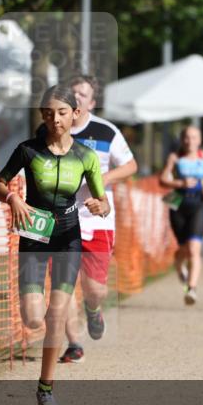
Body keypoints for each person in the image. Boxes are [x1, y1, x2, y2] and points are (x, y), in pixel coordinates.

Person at [0, 84, 110, 405]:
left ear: (75, 114)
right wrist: (13, 197)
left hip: (69, 238)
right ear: (42, 116)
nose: (55, 119)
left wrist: (101, 207)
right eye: (48, 113)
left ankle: (45, 390)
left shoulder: (86, 156)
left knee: (56, 313)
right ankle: (49, 331)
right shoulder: (28, 150)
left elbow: (104, 201)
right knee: (32, 319)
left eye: (61, 112)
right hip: (34, 237)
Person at [31, 77, 136, 365]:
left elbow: (130, 165)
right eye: (73, 93)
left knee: (94, 289)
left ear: (91, 102)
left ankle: (93, 309)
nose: (76, 97)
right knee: (62, 287)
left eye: (83, 94)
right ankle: (75, 344)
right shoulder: (47, 130)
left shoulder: (106, 131)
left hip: (97, 220)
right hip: (60, 219)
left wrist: (101, 178)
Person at [160, 126, 203, 305]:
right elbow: (162, 180)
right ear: (182, 139)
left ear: (200, 140)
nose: (190, 141)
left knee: (194, 248)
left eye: (194, 137)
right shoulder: (175, 158)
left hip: (199, 205)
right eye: (187, 137)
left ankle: (191, 289)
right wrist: (180, 182)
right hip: (177, 205)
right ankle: (178, 265)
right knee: (184, 249)